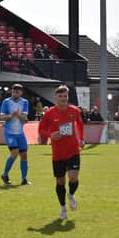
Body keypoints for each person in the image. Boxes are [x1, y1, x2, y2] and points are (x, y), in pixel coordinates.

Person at [38, 85, 84, 220]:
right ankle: (63, 208)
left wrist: (81, 139)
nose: (63, 98)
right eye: (60, 96)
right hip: (57, 153)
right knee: (60, 182)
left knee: (73, 177)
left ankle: (71, 195)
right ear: (55, 98)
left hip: (73, 150)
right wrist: (50, 135)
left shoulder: (74, 111)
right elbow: (41, 129)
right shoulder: (50, 113)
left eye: (65, 96)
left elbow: (80, 125)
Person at [0, 84, 31, 185]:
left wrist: (19, 116)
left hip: (20, 133)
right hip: (10, 133)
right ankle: (5, 174)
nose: (15, 94)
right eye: (13, 92)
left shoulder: (25, 102)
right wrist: (11, 115)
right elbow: (2, 117)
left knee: (24, 155)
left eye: (17, 92)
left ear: (21, 93)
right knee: (15, 152)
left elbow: (25, 118)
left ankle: (24, 179)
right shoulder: (6, 102)